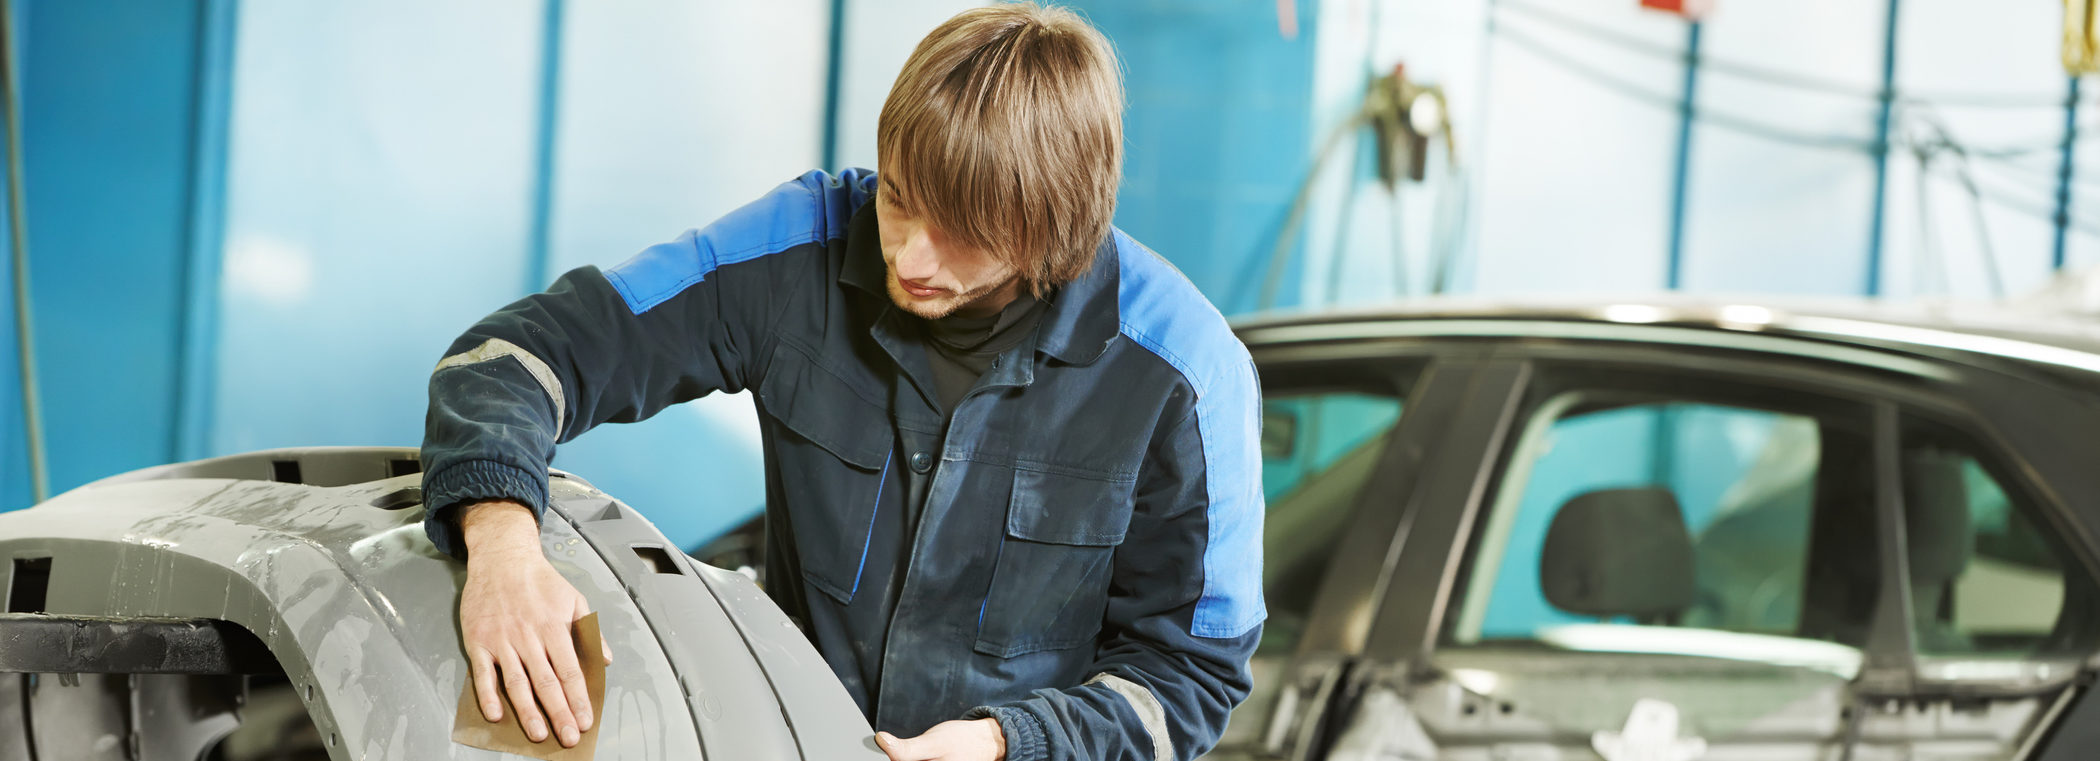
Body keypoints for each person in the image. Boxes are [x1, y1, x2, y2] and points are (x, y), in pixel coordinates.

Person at [419, 5, 1264, 760]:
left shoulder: (1186, 376)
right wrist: (500, 543)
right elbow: (516, 356)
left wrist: (1012, 742)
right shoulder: (799, 250)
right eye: (900, 197)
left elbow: (1191, 677)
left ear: (1053, 224)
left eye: (962, 228)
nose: (909, 253)